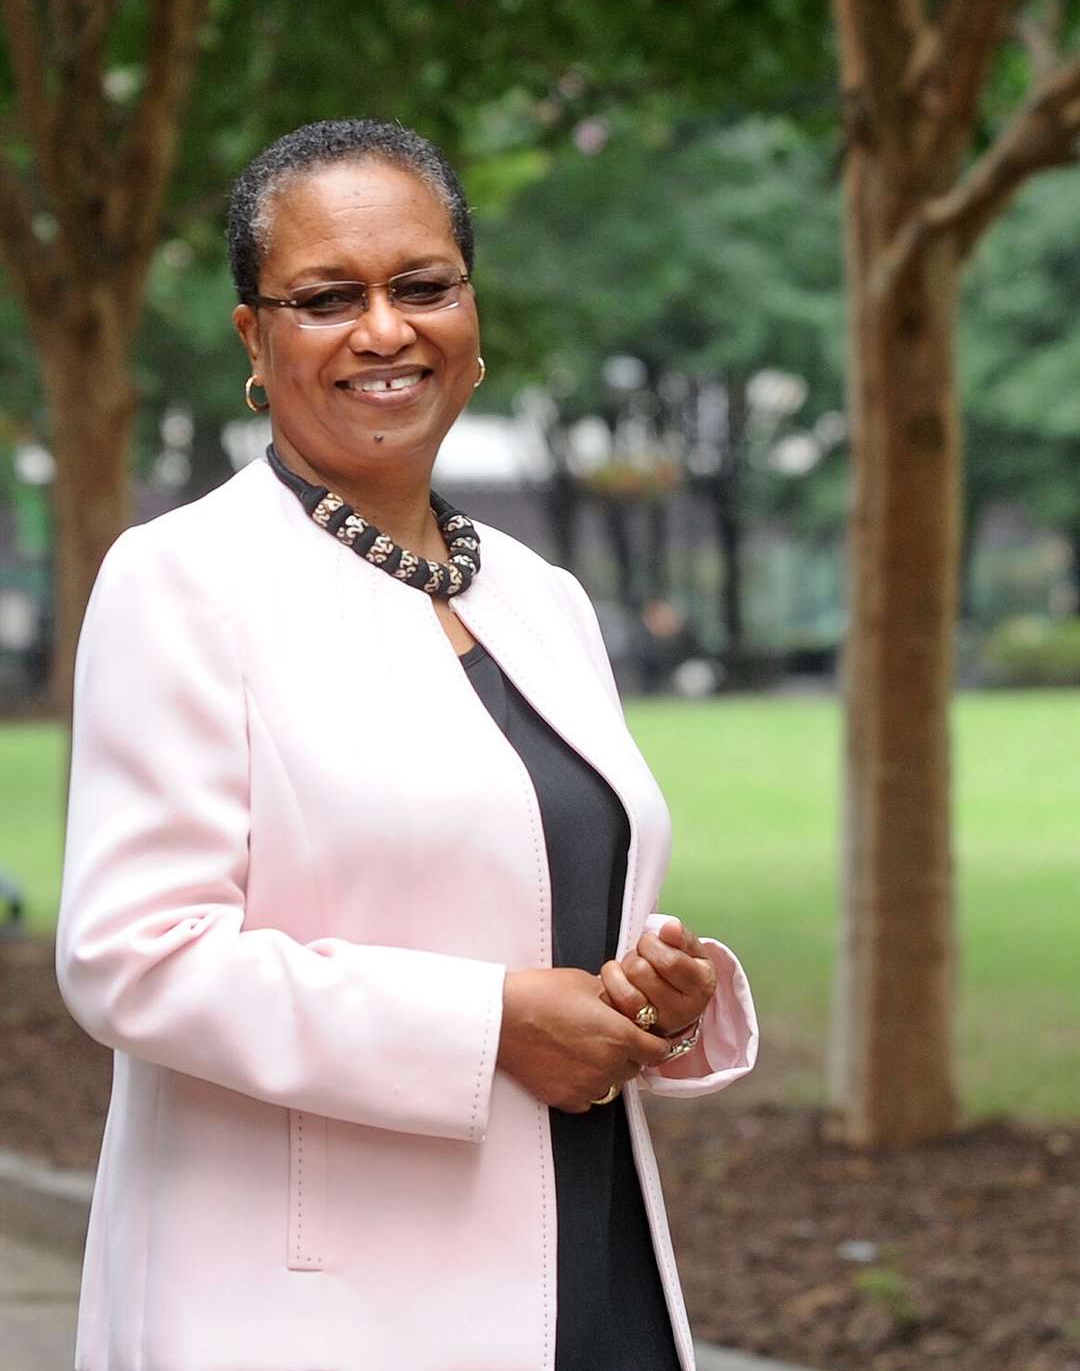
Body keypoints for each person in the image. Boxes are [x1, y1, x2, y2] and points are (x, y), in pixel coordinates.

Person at [56, 118, 758, 1371]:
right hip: (312, 1302)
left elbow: (538, 887)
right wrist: (486, 1023)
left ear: (470, 316)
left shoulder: (538, 594)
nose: (384, 329)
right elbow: (131, 956)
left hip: (582, 1248)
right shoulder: (182, 581)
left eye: (421, 286)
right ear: (252, 341)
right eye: (327, 297)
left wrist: (652, 991)